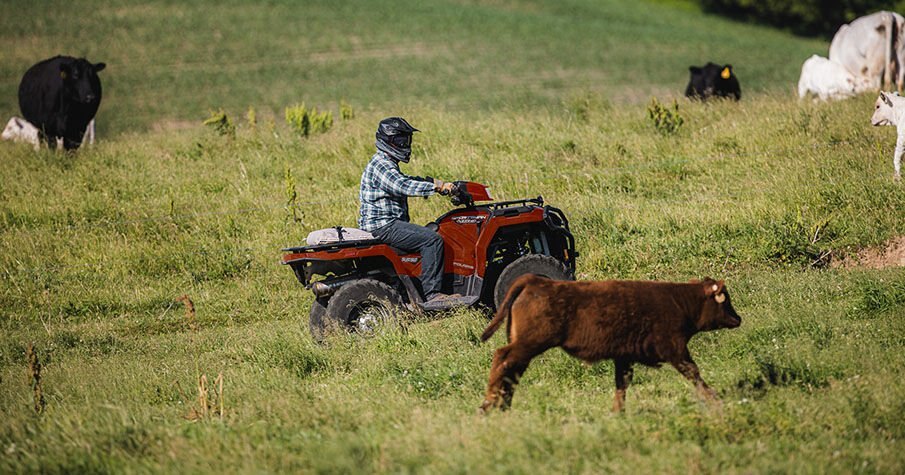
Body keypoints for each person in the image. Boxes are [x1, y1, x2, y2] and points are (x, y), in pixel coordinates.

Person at [359, 117, 460, 306]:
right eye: (401, 141)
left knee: (433, 233)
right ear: (389, 141)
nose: (405, 145)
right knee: (432, 239)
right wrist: (438, 189)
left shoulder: (386, 162)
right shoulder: (381, 164)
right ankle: (433, 295)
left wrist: (438, 183)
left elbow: (406, 178)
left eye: (406, 141)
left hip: (387, 225)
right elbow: (402, 185)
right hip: (384, 227)